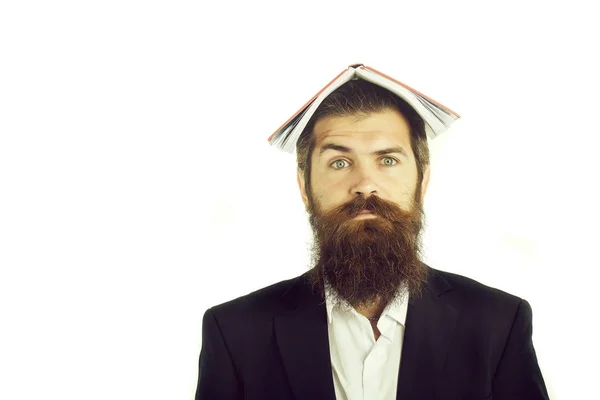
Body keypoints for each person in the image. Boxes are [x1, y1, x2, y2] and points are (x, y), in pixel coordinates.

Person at [195, 77, 549, 399]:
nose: (365, 184)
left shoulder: (498, 323)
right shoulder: (234, 333)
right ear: (305, 188)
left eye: (388, 160)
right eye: (339, 163)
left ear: (422, 181)